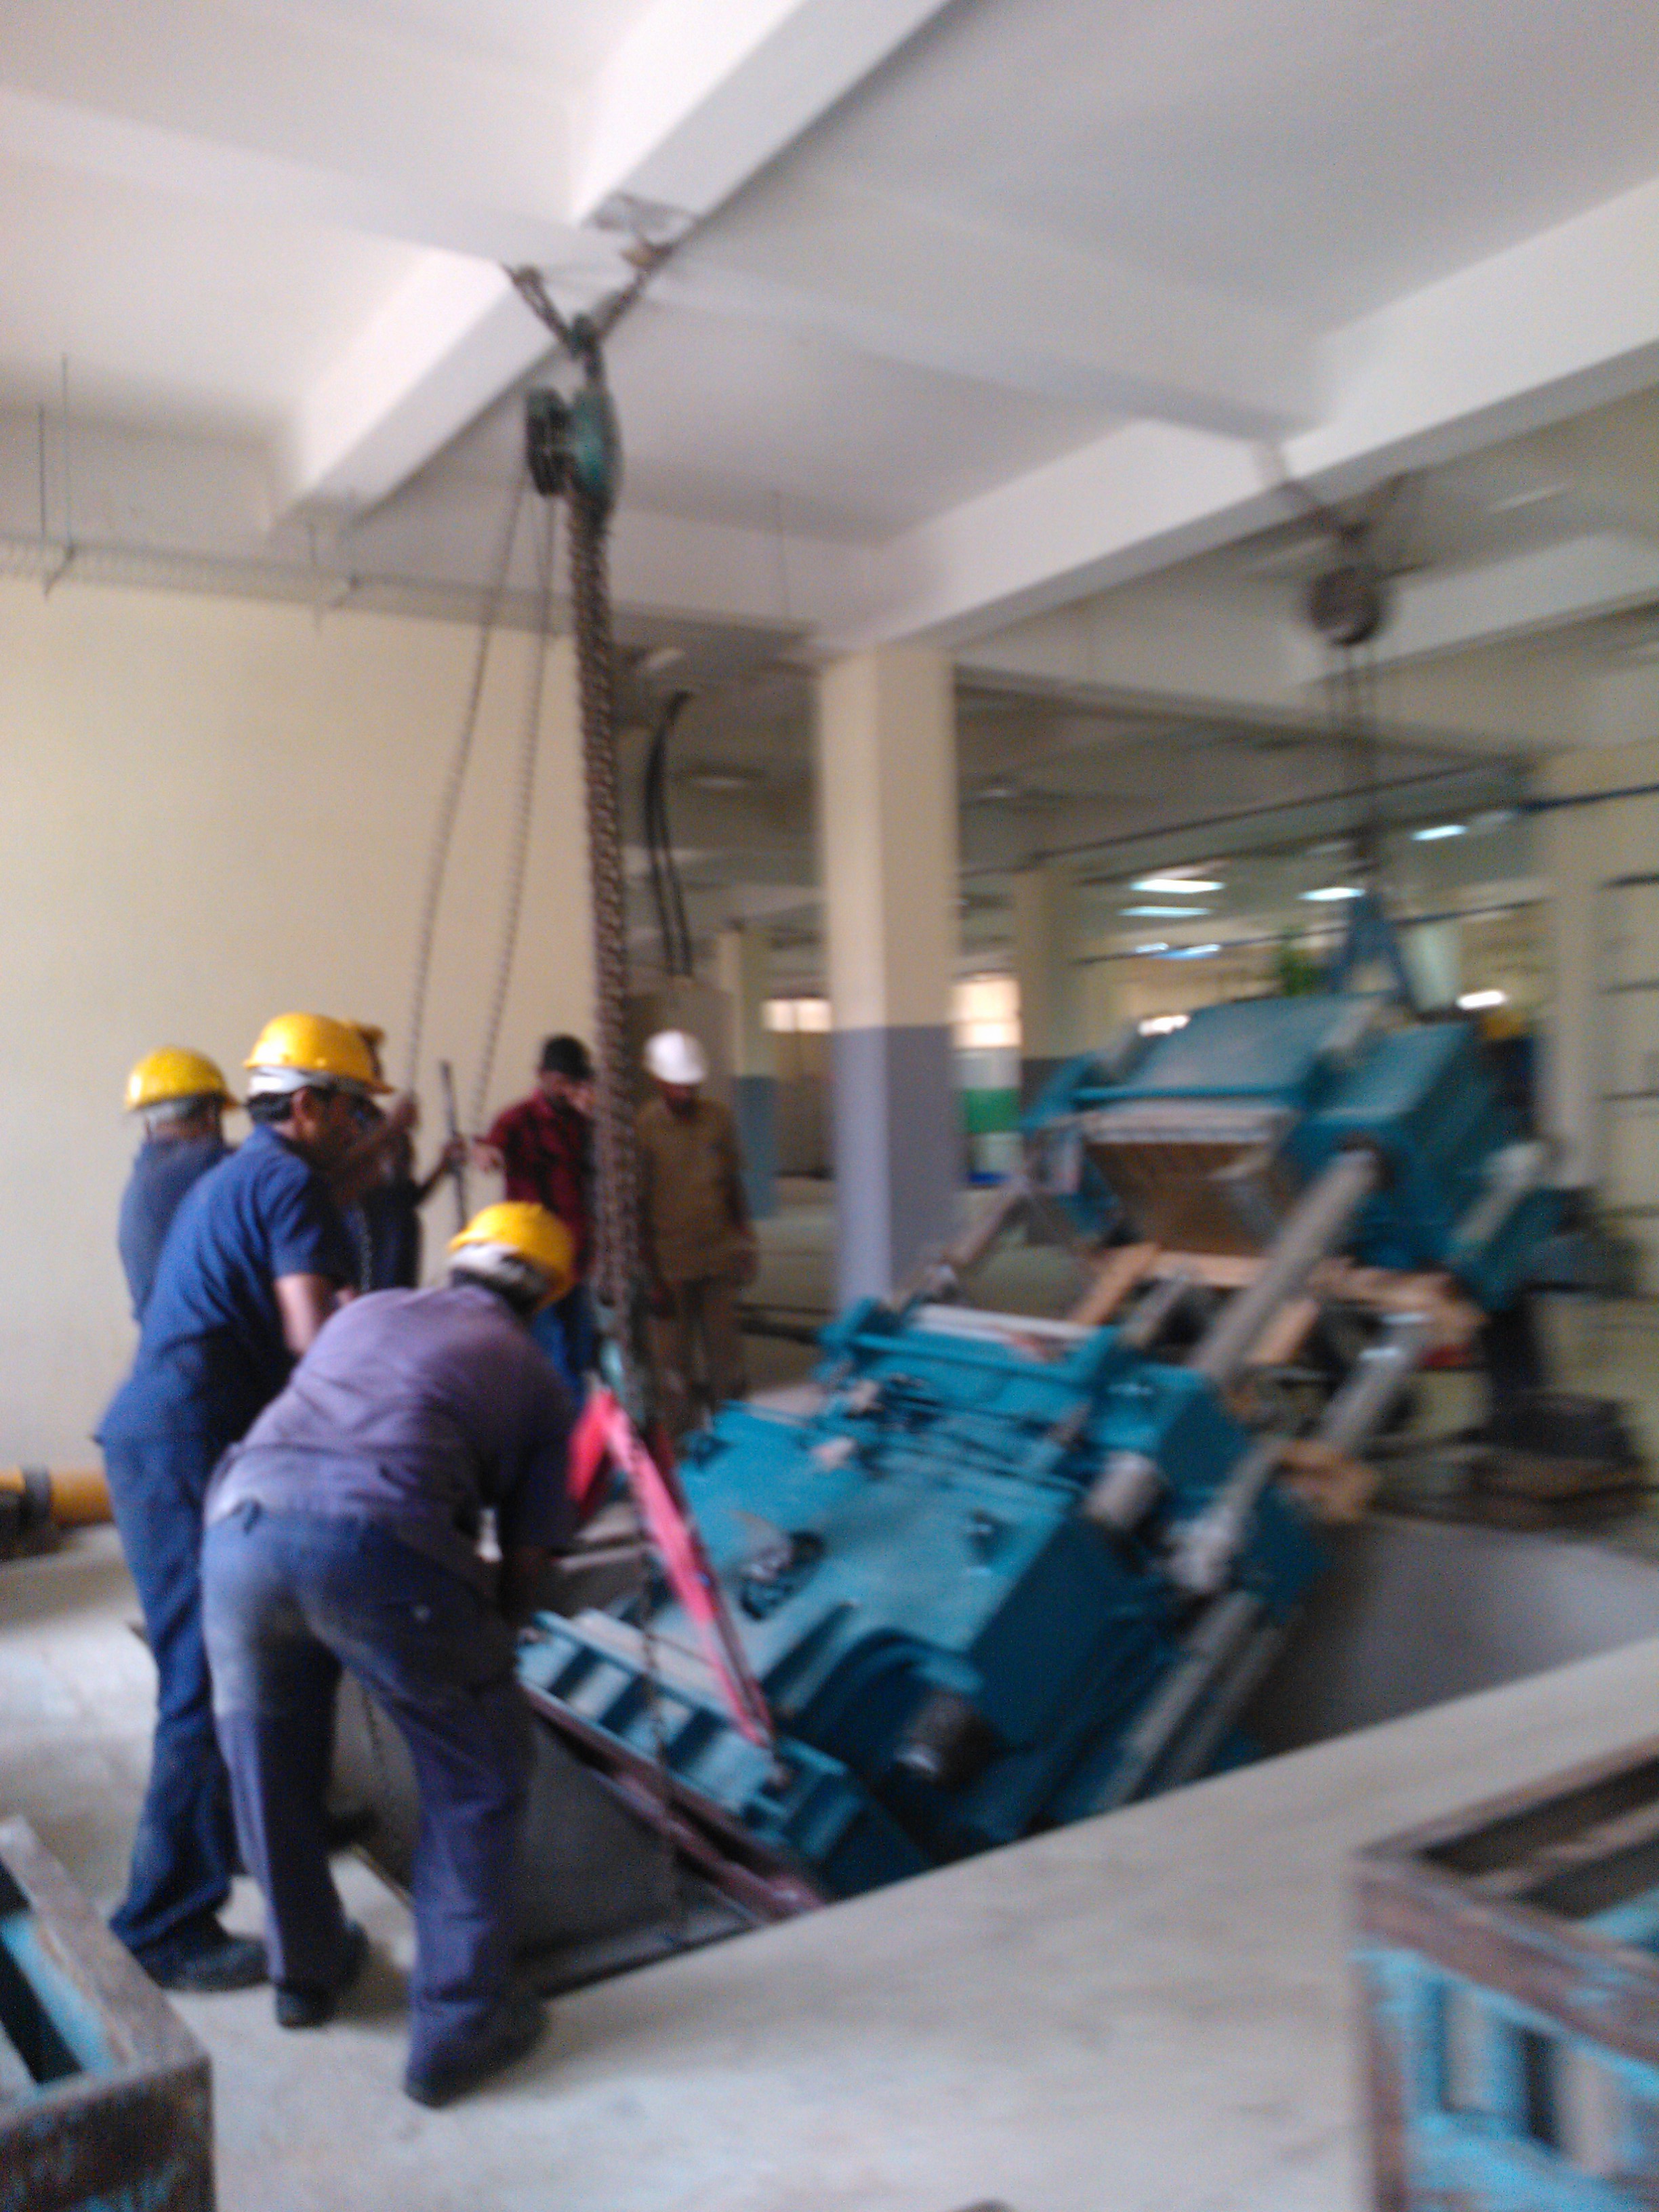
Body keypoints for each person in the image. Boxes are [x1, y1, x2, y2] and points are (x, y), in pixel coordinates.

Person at [201, 1203, 585, 2107]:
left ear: (459, 1262)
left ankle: (304, 1973)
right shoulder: (535, 1377)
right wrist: (493, 1639)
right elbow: (528, 1556)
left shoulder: (367, 1311)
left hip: (238, 1533)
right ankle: (459, 2026)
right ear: (547, 1297)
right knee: (478, 1773)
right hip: (379, 1544)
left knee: (268, 1758)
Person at [95, 1013, 370, 1992]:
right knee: (202, 1682)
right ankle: (162, 1923)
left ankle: (255, 1834)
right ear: (310, 1107)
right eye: (354, 1109)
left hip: (176, 1438)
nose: (359, 1126)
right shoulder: (289, 1183)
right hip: (182, 1445)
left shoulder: (235, 1174)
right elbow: (311, 1339)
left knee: (246, 1660)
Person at [637, 1029, 758, 1437]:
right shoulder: (644, 1128)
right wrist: (650, 1278)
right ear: (658, 1080)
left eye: (690, 1086)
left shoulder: (718, 1120)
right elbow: (635, 1207)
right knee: (673, 1367)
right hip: (670, 1268)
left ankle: (735, 1437)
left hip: (719, 1259)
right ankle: (682, 1447)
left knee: (729, 1361)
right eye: (676, 1086)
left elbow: (733, 1185)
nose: (684, 1094)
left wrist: (745, 1240)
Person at [474, 1035, 596, 1397]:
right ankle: (564, 1427)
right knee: (552, 1355)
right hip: (535, 1262)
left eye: (573, 1082)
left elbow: (604, 1173)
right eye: (560, 1081)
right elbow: (491, 1148)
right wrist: (486, 1154)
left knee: (581, 1353)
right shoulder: (517, 1120)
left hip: (576, 1258)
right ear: (542, 1075)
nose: (566, 1090)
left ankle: (576, 1423)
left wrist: (595, 1119)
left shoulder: (583, 1122)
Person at [334, 1024, 463, 1291]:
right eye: (367, 1056)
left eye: (375, 1057)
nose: (377, 1065)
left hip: (399, 1252)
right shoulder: (336, 1124)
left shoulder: (382, 1120)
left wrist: (443, 1165)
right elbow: (336, 1177)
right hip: (360, 1257)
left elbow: (407, 1198)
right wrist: (391, 1128)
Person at [117, 1047, 236, 1322]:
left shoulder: (145, 1178)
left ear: (147, 1125)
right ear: (211, 1114)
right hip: (206, 1340)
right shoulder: (206, 1162)